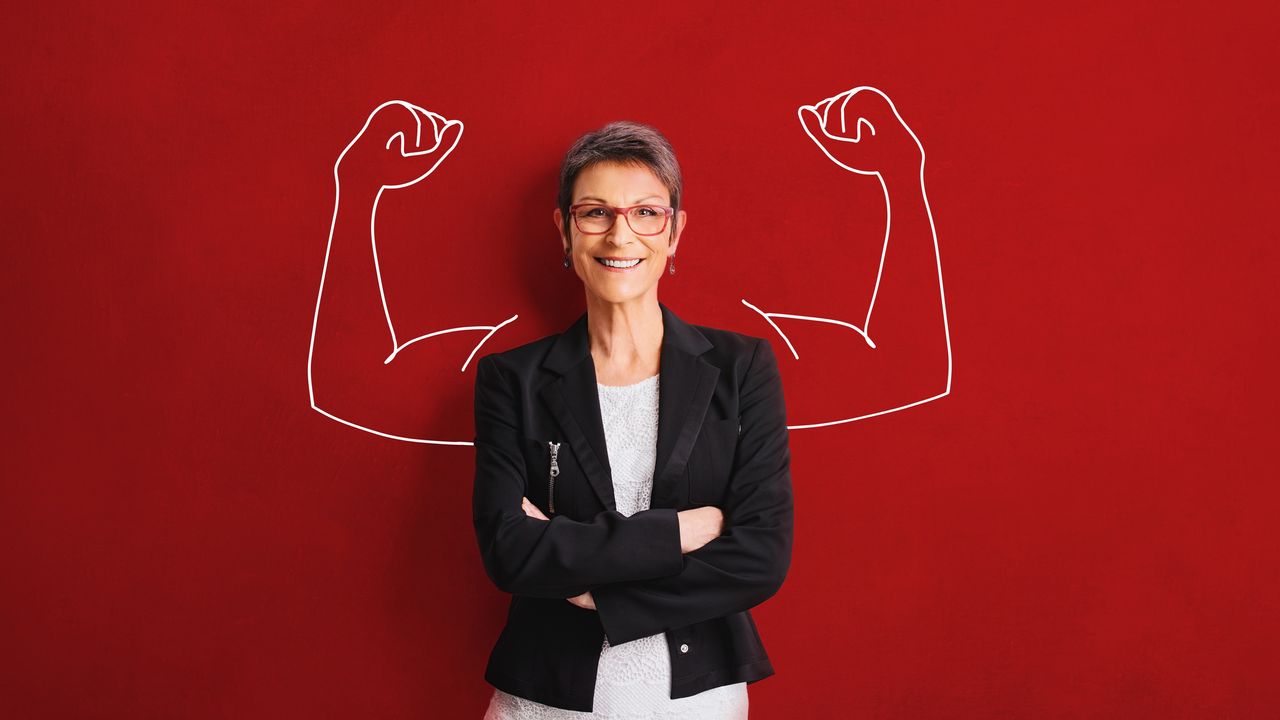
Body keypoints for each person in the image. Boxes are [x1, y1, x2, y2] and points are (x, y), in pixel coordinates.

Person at [472, 121, 794, 717]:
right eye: (595, 212)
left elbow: (760, 557)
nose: (621, 235)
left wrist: (597, 594)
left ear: (674, 232)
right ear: (565, 231)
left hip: (699, 703)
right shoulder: (510, 380)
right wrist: (679, 533)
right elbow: (509, 553)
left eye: (646, 213)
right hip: (543, 704)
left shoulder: (741, 367)